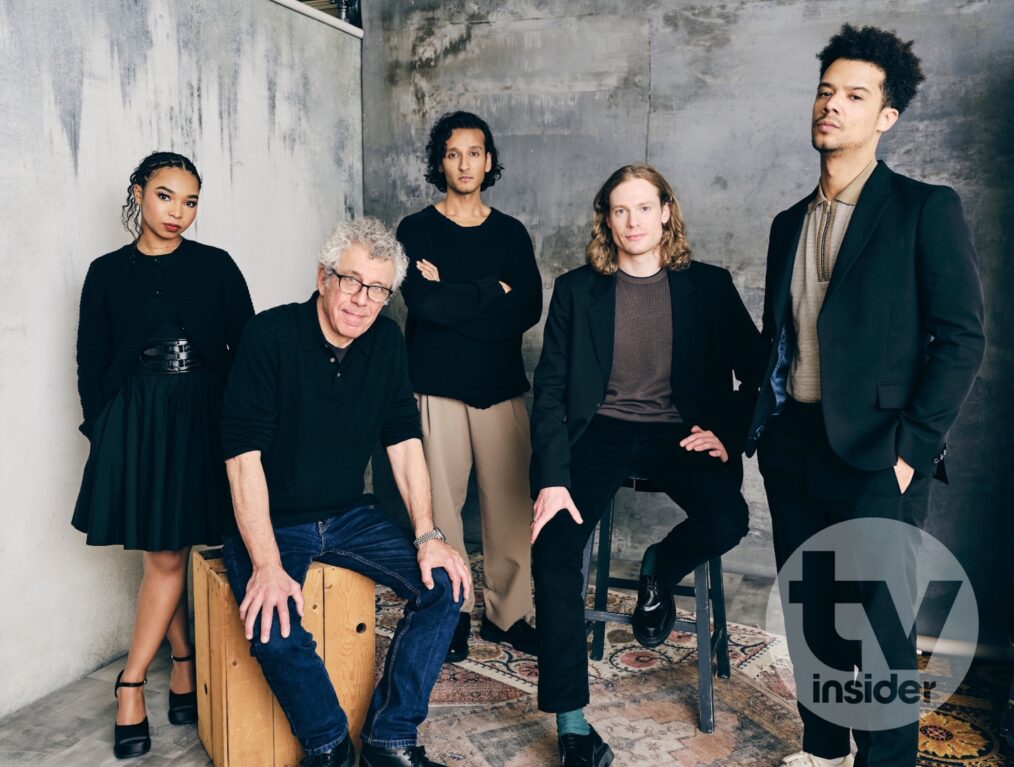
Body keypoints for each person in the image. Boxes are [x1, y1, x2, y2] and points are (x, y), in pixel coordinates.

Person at [745, 24, 986, 767]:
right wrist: (758, 425)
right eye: (825, 92)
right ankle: (823, 752)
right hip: (795, 449)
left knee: (880, 631)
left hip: (881, 455)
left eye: (854, 95)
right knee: (815, 619)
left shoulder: (923, 208)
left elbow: (962, 338)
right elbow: (777, 341)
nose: (832, 107)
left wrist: (911, 451)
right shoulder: (790, 223)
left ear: (887, 117)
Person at [529, 164, 765, 766]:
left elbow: (761, 367)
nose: (632, 221)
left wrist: (728, 433)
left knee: (727, 517)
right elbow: (551, 390)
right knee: (554, 548)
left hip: (678, 431)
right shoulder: (577, 289)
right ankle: (573, 726)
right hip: (598, 435)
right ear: (606, 220)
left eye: (643, 208)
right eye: (618, 210)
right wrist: (553, 481)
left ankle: (661, 566)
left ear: (666, 212)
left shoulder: (707, 285)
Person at [220, 217, 472, 767]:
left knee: (445, 585)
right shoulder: (270, 336)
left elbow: (404, 443)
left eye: (378, 289)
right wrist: (265, 563)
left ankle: (391, 739)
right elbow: (243, 461)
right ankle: (329, 745)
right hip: (275, 518)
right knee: (274, 619)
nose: (362, 300)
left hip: (348, 515)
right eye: (352, 281)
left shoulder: (384, 343)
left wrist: (430, 535)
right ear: (323, 276)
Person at [73, 151, 254, 759]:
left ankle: (150, 675)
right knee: (164, 549)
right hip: (138, 420)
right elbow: (89, 359)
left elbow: (248, 349)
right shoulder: (105, 272)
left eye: (191, 201)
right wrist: (105, 428)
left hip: (202, 414)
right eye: (165, 196)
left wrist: (245, 429)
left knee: (167, 550)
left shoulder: (215, 266)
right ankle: (162, 670)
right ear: (138, 194)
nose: (179, 212)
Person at [397, 111, 542, 663]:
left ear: (489, 160)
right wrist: (491, 291)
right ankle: (451, 612)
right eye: (453, 153)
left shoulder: (510, 232)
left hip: (500, 386)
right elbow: (424, 305)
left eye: (475, 152)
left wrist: (457, 293)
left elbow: (525, 307)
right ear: (440, 161)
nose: (465, 163)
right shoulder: (416, 230)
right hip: (436, 386)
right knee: (440, 509)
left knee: (509, 505)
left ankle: (509, 616)